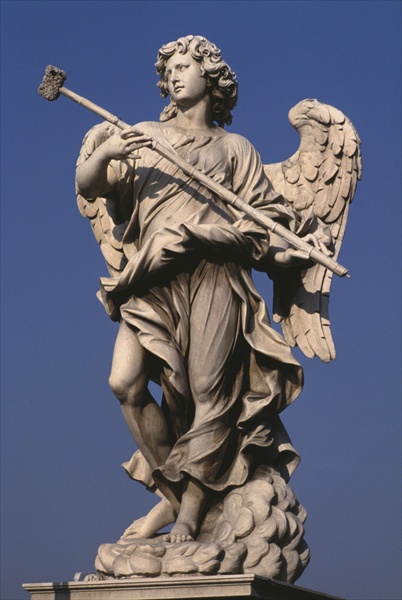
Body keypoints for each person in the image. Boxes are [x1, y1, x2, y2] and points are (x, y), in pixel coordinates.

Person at [76, 35, 324, 543]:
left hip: (214, 278)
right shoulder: (140, 137)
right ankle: (173, 495)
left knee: (211, 398)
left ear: (210, 77)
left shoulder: (235, 149)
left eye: (186, 65)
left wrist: (206, 234)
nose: (174, 75)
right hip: (151, 280)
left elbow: (262, 228)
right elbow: (88, 185)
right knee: (124, 383)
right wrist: (106, 153)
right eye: (169, 69)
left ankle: (190, 511)